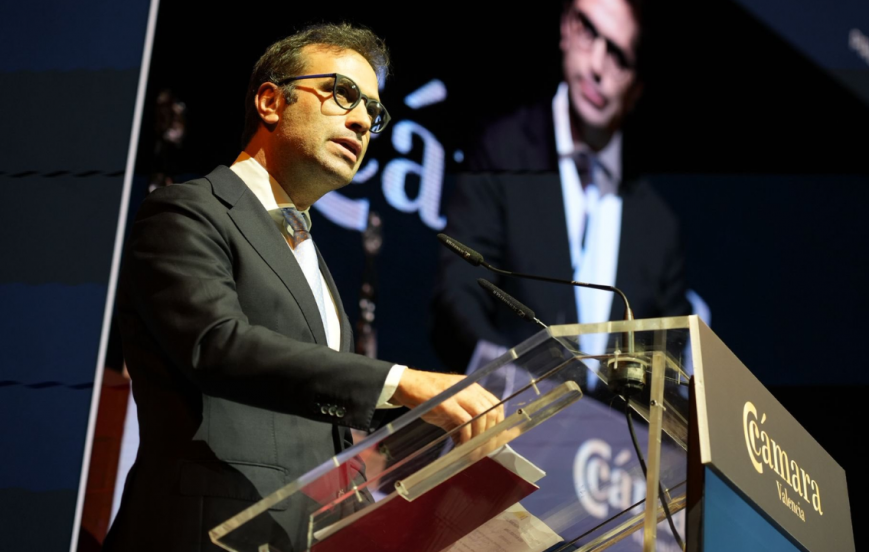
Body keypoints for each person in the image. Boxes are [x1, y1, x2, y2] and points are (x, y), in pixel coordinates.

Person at [104, 23, 501, 552]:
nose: (362, 120)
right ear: (271, 102)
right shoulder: (187, 212)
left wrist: (443, 414)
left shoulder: (310, 253)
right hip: (207, 531)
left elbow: (313, 398)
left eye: (374, 113)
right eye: (343, 94)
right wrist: (405, 382)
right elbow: (218, 345)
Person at [432, 0, 692, 388]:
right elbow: (458, 294)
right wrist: (511, 388)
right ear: (567, 27)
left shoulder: (658, 226)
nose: (597, 66)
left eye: (619, 55)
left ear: (637, 86)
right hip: (501, 422)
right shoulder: (501, 150)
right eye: (589, 32)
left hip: (607, 446)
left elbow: (666, 373)